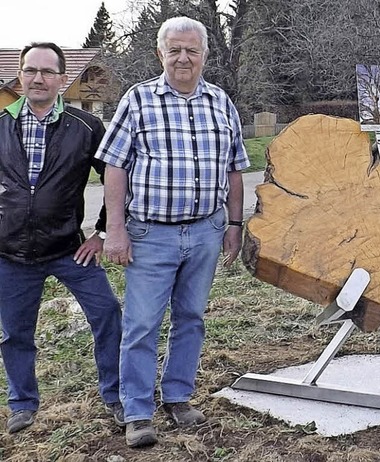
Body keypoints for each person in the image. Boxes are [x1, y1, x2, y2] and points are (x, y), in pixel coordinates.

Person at [95, 16, 250, 448]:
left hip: (205, 231)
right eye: (174, 50)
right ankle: (138, 411)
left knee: (191, 319)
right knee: (142, 325)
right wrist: (116, 231)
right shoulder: (138, 99)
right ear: (160, 53)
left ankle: (178, 396)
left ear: (204, 55)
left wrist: (233, 227)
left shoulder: (221, 102)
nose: (183, 58)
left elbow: (235, 171)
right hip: (150, 234)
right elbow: (114, 167)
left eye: (192, 50)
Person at [0, 42, 123, 434]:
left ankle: (117, 395)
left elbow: (117, 179)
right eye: (30, 70)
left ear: (62, 79)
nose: (38, 78)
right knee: (14, 332)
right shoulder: (0, 124)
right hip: (10, 254)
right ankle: (22, 403)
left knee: (108, 314)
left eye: (47, 72)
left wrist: (102, 231)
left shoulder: (86, 127)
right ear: (19, 76)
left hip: (70, 249)